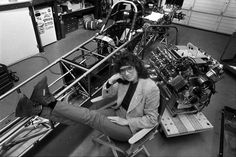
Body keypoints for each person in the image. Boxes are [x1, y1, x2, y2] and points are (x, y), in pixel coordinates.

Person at [15, 51, 160, 142]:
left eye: (130, 69)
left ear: (137, 67)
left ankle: (50, 102)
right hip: (117, 112)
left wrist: (127, 122)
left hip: (131, 130)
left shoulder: (150, 88)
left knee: (91, 117)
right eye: (123, 71)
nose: (127, 73)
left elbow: (153, 120)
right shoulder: (124, 81)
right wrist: (110, 81)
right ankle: (37, 110)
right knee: (81, 117)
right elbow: (107, 94)